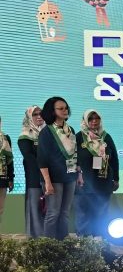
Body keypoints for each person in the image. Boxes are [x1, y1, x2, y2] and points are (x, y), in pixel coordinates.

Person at [37, 97, 82, 239]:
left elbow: (75, 154)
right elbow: (42, 159)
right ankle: (49, 246)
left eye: (66, 107)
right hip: (53, 179)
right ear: (52, 111)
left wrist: (79, 174)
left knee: (65, 213)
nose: (65, 110)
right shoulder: (46, 132)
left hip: (70, 176)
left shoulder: (70, 130)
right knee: (53, 213)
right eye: (60, 108)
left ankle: (63, 244)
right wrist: (47, 182)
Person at [75, 110, 119, 237]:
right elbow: (72, 158)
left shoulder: (106, 137)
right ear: (85, 121)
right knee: (83, 214)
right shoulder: (78, 137)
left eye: (97, 118)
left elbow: (114, 159)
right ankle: (83, 242)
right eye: (91, 119)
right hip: (84, 183)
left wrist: (116, 178)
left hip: (103, 182)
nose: (94, 121)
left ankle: (100, 241)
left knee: (101, 214)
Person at [18, 106, 45, 238]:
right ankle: (35, 239)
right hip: (34, 178)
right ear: (29, 117)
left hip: (52, 178)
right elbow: (29, 158)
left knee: (49, 209)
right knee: (34, 208)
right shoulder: (25, 136)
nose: (39, 116)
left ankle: (49, 238)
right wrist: (44, 172)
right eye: (35, 114)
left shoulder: (49, 133)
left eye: (41, 113)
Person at [0, 116, 15, 226]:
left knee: (0, 208)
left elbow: (10, 160)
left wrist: (11, 178)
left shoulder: (6, 138)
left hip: (2, 178)